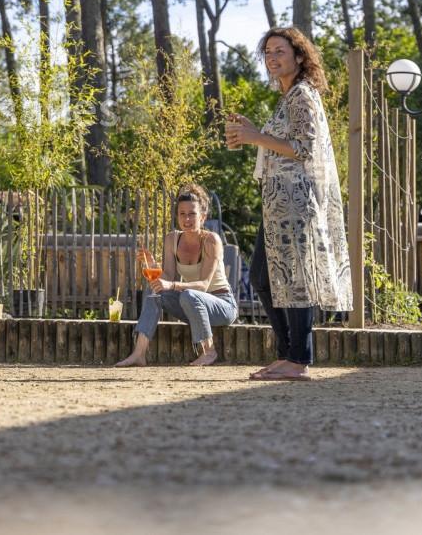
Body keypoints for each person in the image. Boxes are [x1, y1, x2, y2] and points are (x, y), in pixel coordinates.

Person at [225, 27, 352, 381]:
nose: (272, 58)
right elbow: (283, 142)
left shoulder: (302, 95)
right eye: (267, 52)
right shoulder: (287, 97)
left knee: (294, 278)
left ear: (299, 56)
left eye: (279, 51)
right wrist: (254, 132)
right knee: (264, 277)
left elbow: (304, 149)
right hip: (279, 204)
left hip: (298, 204)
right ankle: (286, 355)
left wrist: (255, 137)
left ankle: (299, 359)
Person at [115, 185, 237, 367]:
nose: (187, 219)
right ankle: (139, 353)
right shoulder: (172, 239)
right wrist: (153, 265)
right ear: (177, 216)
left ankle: (209, 351)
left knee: (189, 295)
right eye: (182, 214)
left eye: (192, 214)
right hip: (192, 306)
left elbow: (203, 285)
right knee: (155, 292)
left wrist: (171, 285)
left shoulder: (211, 240)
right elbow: (168, 277)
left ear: (202, 217)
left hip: (221, 305)